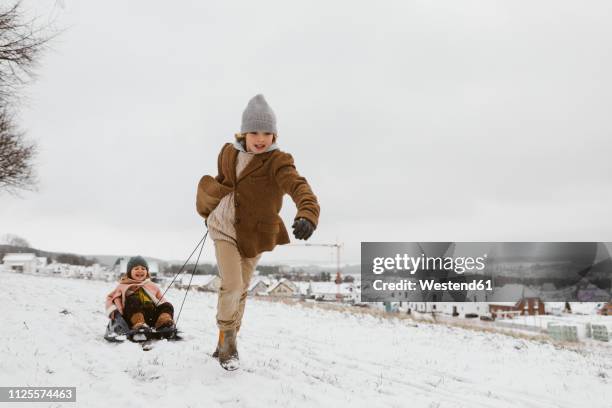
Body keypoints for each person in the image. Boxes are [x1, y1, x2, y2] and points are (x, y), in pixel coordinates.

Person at [196, 94, 320, 370]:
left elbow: (298, 186)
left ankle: (224, 340)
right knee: (233, 284)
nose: (261, 138)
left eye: (267, 132)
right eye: (254, 131)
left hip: (255, 235)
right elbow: (223, 181)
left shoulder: (278, 161)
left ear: (274, 134)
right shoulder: (228, 153)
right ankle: (229, 343)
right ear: (244, 131)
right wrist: (210, 203)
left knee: (241, 290)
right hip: (224, 227)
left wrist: (307, 213)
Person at [105, 256, 175, 331]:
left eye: (143, 269)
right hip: (131, 316)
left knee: (167, 305)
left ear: (147, 272)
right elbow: (110, 298)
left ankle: (163, 324)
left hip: (151, 316)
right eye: (136, 268)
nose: (140, 271)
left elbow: (161, 300)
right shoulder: (123, 286)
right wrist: (114, 312)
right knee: (133, 299)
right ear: (129, 272)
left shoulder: (152, 285)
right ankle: (139, 325)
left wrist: (164, 308)